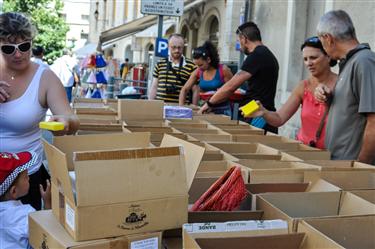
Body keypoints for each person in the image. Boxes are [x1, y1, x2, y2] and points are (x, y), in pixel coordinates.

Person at [0, 12, 79, 210]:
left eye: (24, 46)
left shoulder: (45, 77)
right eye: (9, 49)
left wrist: (66, 122)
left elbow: (71, 118)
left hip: (24, 180)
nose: (18, 54)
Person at [245, 37, 337, 149]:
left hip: (334, 156)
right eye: (305, 59)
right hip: (304, 152)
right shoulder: (303, 86)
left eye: (313, 57)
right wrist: (264, 112)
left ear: (328, 56)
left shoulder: (342, 84)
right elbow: (279, 118)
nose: (309, 63)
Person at [315, 10, 375, 164]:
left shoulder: (363, 62)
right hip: (341, 165)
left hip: (353, 169)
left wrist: (361, 167)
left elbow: (373, 121)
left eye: (321, 42)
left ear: (328, 39)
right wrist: (329, 98)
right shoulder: (350, 62)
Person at [198, 22, 279, 133]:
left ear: (244, 39)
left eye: (238, 41)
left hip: (258, 116)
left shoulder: (256, 55)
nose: (239, 46)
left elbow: (231, 86)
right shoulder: (268, 54)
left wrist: (209, 103)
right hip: (261, 112)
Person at [0, 151, 51, 249]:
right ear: (14, 191)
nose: (29, 178)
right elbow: (46, 236)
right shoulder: (25, 214)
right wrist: (47, 203)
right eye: (26, 176)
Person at [179, 41, 233, 115]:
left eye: (201, 65)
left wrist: (216, 98)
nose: (198, 68)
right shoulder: (198, 71)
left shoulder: (223, 70)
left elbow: (231, 91)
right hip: (205, 109)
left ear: (208, 60)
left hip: (222, 110)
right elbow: (184, 90)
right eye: (196, 65)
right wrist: (181, 108)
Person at [149, 33, 198, 103]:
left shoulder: (192, 66)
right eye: (173, 47)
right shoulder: (159, 63)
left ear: (183, 47)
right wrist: (151, 104)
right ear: (168, 46)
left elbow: (195, 90)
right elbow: (154, 87)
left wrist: (194, 108)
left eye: (179, 47)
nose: (177, 50)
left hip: (181, 109)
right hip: (160, 108)